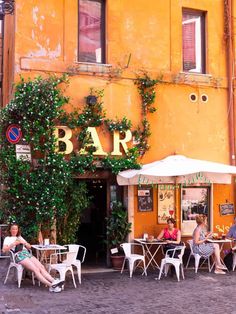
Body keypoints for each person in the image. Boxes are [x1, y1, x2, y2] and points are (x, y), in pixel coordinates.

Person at [2, 223, 64, 292]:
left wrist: (24, 243)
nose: (14, 230)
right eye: (13, 229)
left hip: (27, 254)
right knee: (36, 269)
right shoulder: (7, 238)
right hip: (19, 255)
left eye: (16, 229)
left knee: (41, 267)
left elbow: (29, 247)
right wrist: (13, 244)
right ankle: (51, 285)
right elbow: (4, 250)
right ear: (10, 230)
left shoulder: (19, 237)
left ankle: (54, 281)